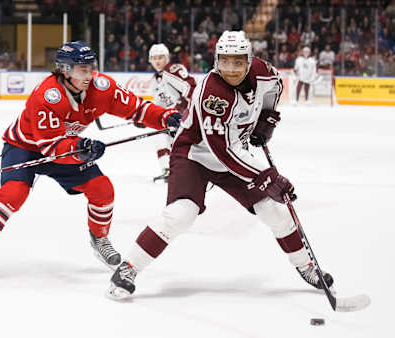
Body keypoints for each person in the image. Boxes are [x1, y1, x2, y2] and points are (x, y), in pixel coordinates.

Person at [106, 31, 334, 299]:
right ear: (216, 61)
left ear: (249, 61)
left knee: (274, 210)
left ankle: (306, 266)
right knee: (181, 214)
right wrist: (269, 178)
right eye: (225, 62)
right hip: (195, 156)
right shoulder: (212, 93)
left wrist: (267, 118)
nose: (232, 69)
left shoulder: (262, 71)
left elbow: (275, 88)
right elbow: (223, 152)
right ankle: (129, 268)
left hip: (234, 154)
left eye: (238, 62)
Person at [0, 41, 181, 284]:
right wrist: (81, 148)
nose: (89, 74)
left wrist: (167, 117)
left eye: (90, 68)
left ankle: (99, 239)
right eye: (82, 69)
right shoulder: (46, 96)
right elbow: (50, 148)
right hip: (26, 147)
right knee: (13, 192)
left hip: (68, 147)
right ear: (65, 70)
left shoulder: (101, 87)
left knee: (102, 189)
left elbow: (136, 108)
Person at [145, 43, 197, 182]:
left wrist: (190, 113)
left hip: (184, 117)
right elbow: (159, 106)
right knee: (159, 137)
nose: (157, 61)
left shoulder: (173, 70)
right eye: (154, 58)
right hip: (171, 119)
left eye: (160, 57)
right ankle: (168, 169)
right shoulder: (153, 81)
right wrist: (146, 117)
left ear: (167, 58)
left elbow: (191, 88)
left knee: (187, 147)